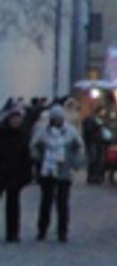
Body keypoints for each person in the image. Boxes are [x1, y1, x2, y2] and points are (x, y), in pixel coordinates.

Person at [29, 105, 85, 243]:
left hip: (64, 171)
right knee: (45, 202)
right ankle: (42, 229)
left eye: (59, 118)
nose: (57, 121)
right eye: (55, 118)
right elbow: (34, 145)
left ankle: (62, 231)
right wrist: (38, 158)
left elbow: (79, 147)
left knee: (62, 203)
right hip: (47, 170)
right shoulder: (43, 131)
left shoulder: (71, 132)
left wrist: (75, 163)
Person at [1, 103, 33, 242]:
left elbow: (27, 156)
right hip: (1, 172)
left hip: (15, 174)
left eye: (18, 118)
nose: (16, 121)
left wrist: (27, 174)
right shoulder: (2, 133)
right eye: (14, 118)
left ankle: (12, 233)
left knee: (13, 204)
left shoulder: (24, 135)